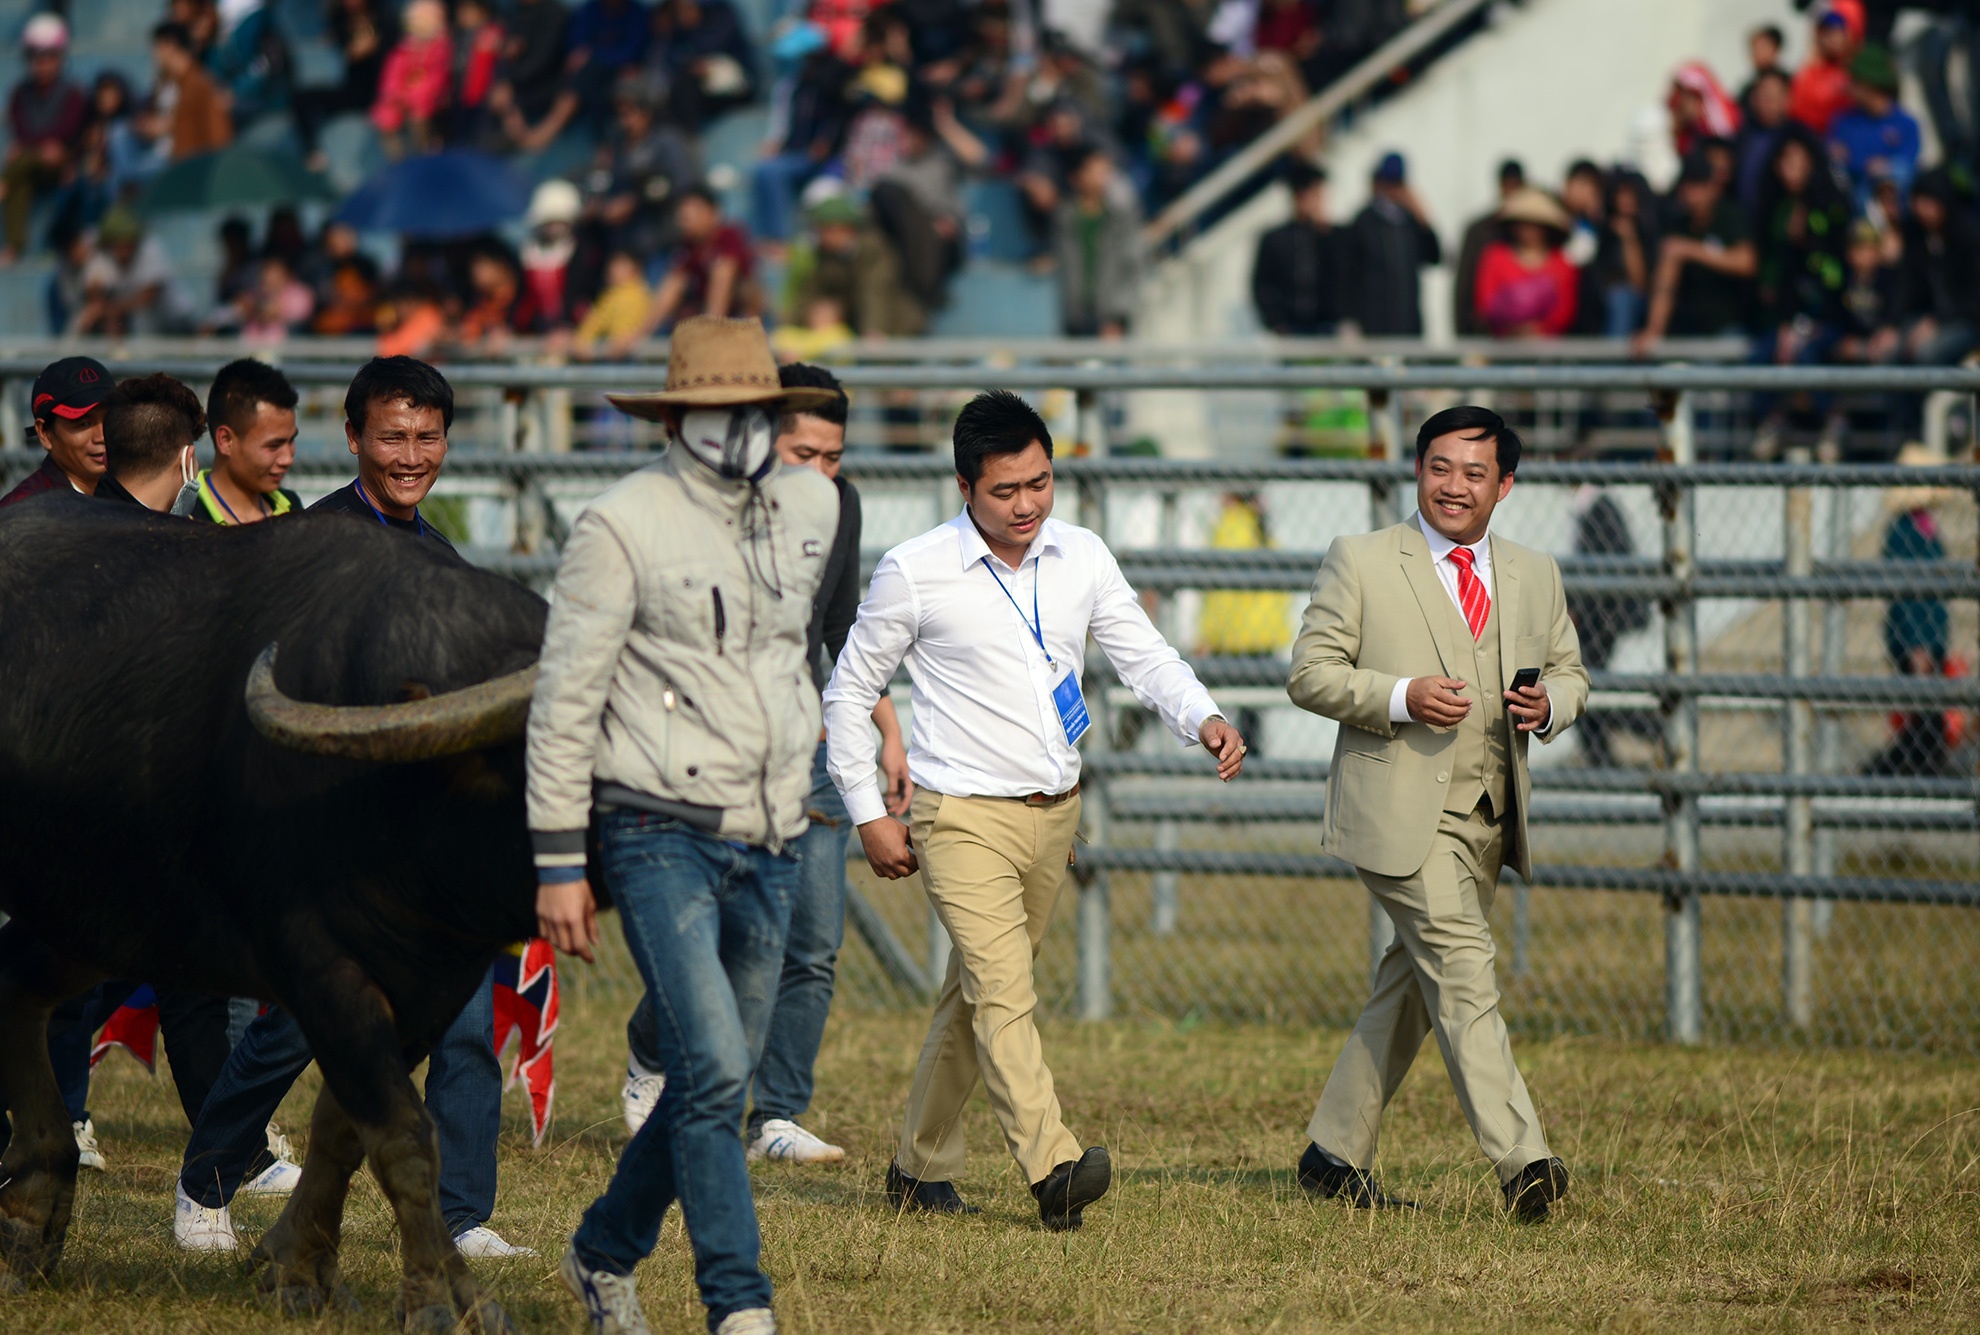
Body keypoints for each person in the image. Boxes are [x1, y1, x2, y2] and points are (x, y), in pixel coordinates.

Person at [823, 390, 1247, 1230]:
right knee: (1005, 993)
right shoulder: (914, 569)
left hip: (1055, 815)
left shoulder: (1082, 554)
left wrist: (1202, 715)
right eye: (1005, 489)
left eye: (1040, 482)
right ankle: (1053, 1165)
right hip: (959, 817)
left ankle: (916, 1168)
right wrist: (868, 810)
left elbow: (1144, 653)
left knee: (975, 997)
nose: (1026, 504)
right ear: (964, 486)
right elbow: (847, 692)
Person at [176, 358, 535, 1259]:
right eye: (392, 436)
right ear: (353, 438)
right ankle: (206, 1181)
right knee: (299, 1025)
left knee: (464, 1023)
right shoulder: (309, 546)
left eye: (427, 437)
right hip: (324, 840)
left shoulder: (442, 557)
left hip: (428, 849)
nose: (410, 455)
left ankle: (462, 1215)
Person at [529, 317, 843, 1335]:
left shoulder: (814, 504)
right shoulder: (620, 524)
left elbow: (792, 653)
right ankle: (739, 1307)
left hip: (773, 830)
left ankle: (601, 1251)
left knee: (715, 1080)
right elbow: (565, 700)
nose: (738, 425)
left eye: (755, 409)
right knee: (713, 1072)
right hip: (655, 828)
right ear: (674, 418)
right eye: (718, 408)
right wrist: (559, 860)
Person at [1286, 404, 1588, 1221]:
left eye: (1474, 472)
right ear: (1417, 469)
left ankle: (1331, 1153)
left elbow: (1571, 672)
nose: (1453, 486)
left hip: (1489, 816)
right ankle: (1524, 1160)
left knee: (1413, 985)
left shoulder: (1536, 571)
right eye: (1439, 467)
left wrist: (1551, 706)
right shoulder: (1360, 558)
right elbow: (1309, 672)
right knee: (1460, 965)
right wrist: (1401, 695)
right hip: (1397, 812)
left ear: (1505, 484)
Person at [621, 363, 914, 1161]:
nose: (821, 472)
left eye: (834, 457)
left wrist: (886, 727)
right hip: (720, 756)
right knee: (723, 932)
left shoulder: (841, 506)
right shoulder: (710, 511)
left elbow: (843, 625)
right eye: (803, 454)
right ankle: (651, 1048)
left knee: (812, 940)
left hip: (812, 749)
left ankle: (776, 1114)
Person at [1633, 155, 1756, 355]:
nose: (1693, 195)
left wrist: (1691, 250)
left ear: (1712, 187)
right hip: (1690, 329)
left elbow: (1746, 262)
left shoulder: (1730, 216)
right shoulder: (1677, 223)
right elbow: (1665, 284)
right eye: (1688, 187)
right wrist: (1654, 330)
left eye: (1699, 186)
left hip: (1730, 327)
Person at [619, 184, 757, 351]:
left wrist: (711, 330)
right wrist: (639, 334)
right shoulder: (687, 247)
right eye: (683, 215)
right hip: (704, 319)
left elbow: (723, 279)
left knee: (724, 272)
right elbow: (671, 288)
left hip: (741, 318)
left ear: (714, 213)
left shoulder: (729, 235)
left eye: (694, 212)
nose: (686, 220)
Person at [3, 14, 88, 264]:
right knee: (20, 179)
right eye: (36, 58)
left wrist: (53, 149)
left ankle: (4, 180)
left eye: (49, 57)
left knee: (20, 163)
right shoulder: (20, 93)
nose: (42, 64)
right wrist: (40, 146)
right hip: (31, 162)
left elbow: (68, 133)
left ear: (60, 58)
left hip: (64, 162)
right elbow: (21, 131)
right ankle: (15, 245)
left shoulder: (73, 93)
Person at [193, 358, 303, 525]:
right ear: (226, 440)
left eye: (291, 441)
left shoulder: (292, 508)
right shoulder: (185, 516)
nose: (288, 459)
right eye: (274, 446)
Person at [1053, 146, 1143, 338]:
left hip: (1110, 318)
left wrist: (1118, 317)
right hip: (1074, 316)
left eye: (1106, 171)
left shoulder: (1120, 216)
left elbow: (1132, 265)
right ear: (1078, 176)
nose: (1103, 178)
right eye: (1096, 171)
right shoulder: (1065, 216)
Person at [1348, 152, 1441, 337]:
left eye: (1397, 184)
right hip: (1375, 326)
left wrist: (1423, 218)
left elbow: (1434, 257)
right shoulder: (1364, 221)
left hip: (1408, 325)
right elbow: (1351, 273)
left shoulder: (1410, 221)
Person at [1, 355, 111, 506]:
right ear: (44, 433)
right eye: (84, 424)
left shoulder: (135, 492)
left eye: (111, 419)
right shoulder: (26, 509)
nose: (101, 436)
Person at [1251, 159, 1345, 336]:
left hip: (1328, 328)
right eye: (1314, 194)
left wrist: (1325, 234)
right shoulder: (1275, 239)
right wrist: (1276, 323)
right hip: (1290, 330)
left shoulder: (1335, 236)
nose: (1320, 201)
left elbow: (1344, 275)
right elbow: (1262, 286)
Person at [74, 206, 196, 336]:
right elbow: (94, 290)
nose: (124, 250)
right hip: (143, 325)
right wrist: (97, 306)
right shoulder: (104, 257)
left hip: (178, 322)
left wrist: (109, 309)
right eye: (118, 244)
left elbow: (147, 299)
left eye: (128, 243)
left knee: (142, 318)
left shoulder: (151, 249)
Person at [1473, 187, 1579, 338]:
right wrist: (1512, 328)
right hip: (1503, 344)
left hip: (1549, 347)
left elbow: (1565, 309)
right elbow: (1485, 302)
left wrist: (1539, 329)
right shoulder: (1495, 257)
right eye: (1523, 223)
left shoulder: (1561, 263)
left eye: (1536, 224)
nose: (1529, 230)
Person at [1827, 44, 1920, 211]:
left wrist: (1887, 167)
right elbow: (1838, 159)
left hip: (1895, 207)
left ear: (1870, 85)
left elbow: (1907, 165)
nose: (1849, 88)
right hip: (1854, 203)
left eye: (1855, 82)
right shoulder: (1844, 122)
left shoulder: (1906, 124)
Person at [1452, 160, 1524, 337]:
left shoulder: (1531, 230)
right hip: (1482, 331)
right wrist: (1462, 331)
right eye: (1507, 185)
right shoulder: (1479, 230)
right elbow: (1464, 283)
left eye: (1515, 186)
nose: (1511, 191)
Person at [143, 21, 234, 161]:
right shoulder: (177, 83)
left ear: (169, 46)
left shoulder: (197, 84)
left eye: (155, 49)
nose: (154, 56)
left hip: (192, 166)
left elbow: (220, 137)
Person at [373, 0, 453, 157]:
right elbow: (392, 75)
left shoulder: (441, 50)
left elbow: (437, 79)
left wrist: (412, 96)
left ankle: (423, 155)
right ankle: (398, 160)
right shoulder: (403, 50)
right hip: (401, 98)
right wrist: (395, 95)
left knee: (419, 117)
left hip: (428, 101)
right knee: (386, 116)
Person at [1792, 7, 1862, 137]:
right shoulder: (1809, 72)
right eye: (1829, 34)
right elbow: (1799, 110)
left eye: (1839, 34)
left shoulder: (1857, 71)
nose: (1835, 40)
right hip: (1815, 137)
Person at [1737, 23, 1788, 122]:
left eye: (1762, 47)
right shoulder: (1748, 89)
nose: (1755, 53)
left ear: (1775, 48)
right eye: (1753, 48)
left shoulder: (1791, 84)